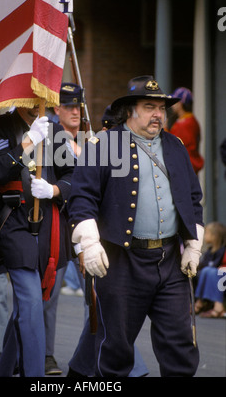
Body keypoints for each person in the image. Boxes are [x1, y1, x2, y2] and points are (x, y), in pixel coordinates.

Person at [68, 75, 204, 377]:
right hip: (122, 261)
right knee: (115, 349)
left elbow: (193, 199)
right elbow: (81, 198)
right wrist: (89, 244)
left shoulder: (175, 146)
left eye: (161, 108)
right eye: (149, 107)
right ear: (130, 110)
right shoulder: (105, 144)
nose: (158, 114)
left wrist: (193, 245)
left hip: (171, 261)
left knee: (181, 345)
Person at [0, 104, 74, 377]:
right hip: (14, 220)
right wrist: (27, 142)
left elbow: (73, 175)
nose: (36, 101)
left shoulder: (54, 130)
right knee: (32, 299)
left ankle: (3, 370)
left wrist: (54, 189)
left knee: (29, 303)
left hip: (48, 223)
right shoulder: (0, 127)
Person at [67, 103, 149, 378]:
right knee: (106, 320)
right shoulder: (98, 151)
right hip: (98, 250)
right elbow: (84, 203)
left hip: (127, 253)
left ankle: (81, 373)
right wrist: (82, 248)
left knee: (107, 322)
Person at [43, 82, 87, 375]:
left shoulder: (91, 140)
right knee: (49, 298)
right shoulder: (48, 137)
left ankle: (92, 359)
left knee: (99, 302)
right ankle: (44, 355)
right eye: (68, 106)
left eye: (78, 106)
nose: (75, 111)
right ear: (56, 108)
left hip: (87, 230)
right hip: (59, 226)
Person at [168, 87, 204, 174]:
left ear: (180, 103)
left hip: (185, 168)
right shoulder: (189, 120)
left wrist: (164, 129)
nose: (173, 105)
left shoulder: (185, 123)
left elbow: (173, 144)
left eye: (175, 102)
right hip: (187, 167)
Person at [194, 222, 226, 318]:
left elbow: (216, 264)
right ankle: (199, 302)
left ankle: (210, 304)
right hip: (217, 273)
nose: (204, 236)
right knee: (206, 271)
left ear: (214, 236)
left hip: (220, 273)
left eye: (206, 233)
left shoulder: (221, 250)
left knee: (210, 271)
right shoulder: (210, 251)